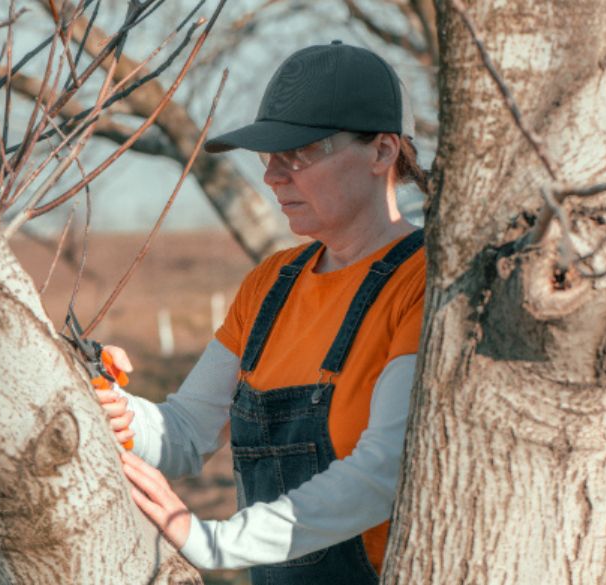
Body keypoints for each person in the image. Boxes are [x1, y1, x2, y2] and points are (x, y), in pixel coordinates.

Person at [96, 40, 428, 584]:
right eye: (269, 155)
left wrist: (217, 542)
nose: (273, 175)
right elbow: (183, 433)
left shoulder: (422, 282)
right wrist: (111, 406)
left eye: (300, 153)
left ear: (382, 151)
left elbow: (384, 471)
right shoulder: (271, 283)